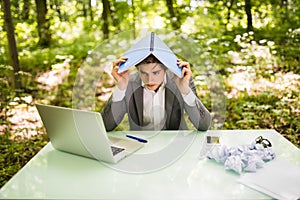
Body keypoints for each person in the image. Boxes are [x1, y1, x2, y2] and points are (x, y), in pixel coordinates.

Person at [101, 55, 211, 131]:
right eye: (144, 73)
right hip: (141, 149)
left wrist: (185, 91)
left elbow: (203, 125)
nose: (149, 80)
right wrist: (120, 88)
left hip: (177, 146)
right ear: (138, 70)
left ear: (166, 69)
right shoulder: (128, 82)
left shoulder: (179, 80)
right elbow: (106, 125)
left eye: (156, 73)